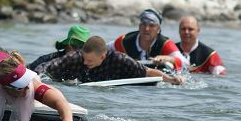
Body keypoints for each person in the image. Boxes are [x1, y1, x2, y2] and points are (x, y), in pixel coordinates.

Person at [43, 36, 182, 85]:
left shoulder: (120, 60)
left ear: (102, 56)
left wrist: (170, 79)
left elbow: (148, 72)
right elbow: (46, 68)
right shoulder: (76, 58)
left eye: (89, 61)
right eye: (84, 59)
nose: (85, 63)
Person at [112, 8, 188, 72]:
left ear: (158, 29)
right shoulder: (124, 41)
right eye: (143, 24)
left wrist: (169, 59)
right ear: (139, 26)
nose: (146, 29)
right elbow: (103, 51)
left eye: (151, 25)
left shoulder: (165, 44)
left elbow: (186, 64)